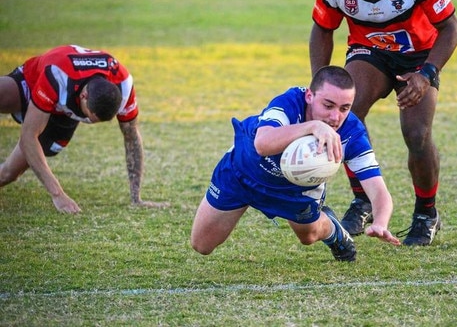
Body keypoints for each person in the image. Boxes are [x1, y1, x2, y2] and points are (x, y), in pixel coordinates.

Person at [309, 0, 457, 246]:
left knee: (417, 135)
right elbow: (322, 28)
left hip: (419, 57)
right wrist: (320, 81)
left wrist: (427, 75)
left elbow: (451, 27)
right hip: (369, 52)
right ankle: (362, 200)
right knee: (345, 115)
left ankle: (426, 214)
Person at [190, 66, 400, 262]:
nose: (336, 117)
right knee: (201, 245)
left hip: (295, 190)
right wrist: (313, 126)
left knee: (308, 237)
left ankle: (334, 232)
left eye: (345, 108)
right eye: (328, 105)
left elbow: (378, 190)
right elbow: (263, 144)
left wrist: (380, 223)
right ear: (309, 96)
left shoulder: (352, 134)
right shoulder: (290, 102)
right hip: (242, 172)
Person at [0, 44, 168, 214]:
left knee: (8, 174)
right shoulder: (58, 75)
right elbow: (28, 135)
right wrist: (58, 194)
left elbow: (131, 136)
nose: (89, 122)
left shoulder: (124, 85)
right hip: (35, 81)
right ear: (83, 96)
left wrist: (136, 198)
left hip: (63, 115)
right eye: (89, 117)